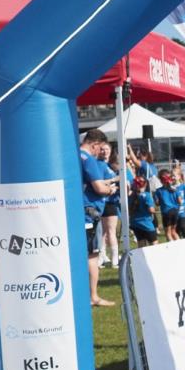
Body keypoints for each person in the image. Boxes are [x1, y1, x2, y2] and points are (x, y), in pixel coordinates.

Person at [80, 129, 118, 306]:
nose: (99, 153)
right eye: (99, 148)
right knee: (92, 256)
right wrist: (110, 189)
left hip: (80, 211)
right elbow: (98, 188)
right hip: (89, 214)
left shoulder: (75, 155)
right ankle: (93, 296)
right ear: (94, 144)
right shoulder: (89, 160)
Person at [97, 144, 120, 268]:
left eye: (107, 149)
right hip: (105, 202)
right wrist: (114, 181)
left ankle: (103, 257)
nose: (105, 151)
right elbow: (98, 183)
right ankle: (113, 259)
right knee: (110, 231)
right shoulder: (100, 165)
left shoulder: (111, 165)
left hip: (110, 201)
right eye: (103, 149)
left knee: (106, 232)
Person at [128, 175, 159, 247]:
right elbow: (151, 210)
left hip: (135, 223)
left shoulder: (131, 196)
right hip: (146, 223)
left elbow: (129, 210)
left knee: (141, 244)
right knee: (154, 244)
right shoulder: (147, 195)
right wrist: (155, 210)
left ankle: (140, 258)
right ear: (145, 184)